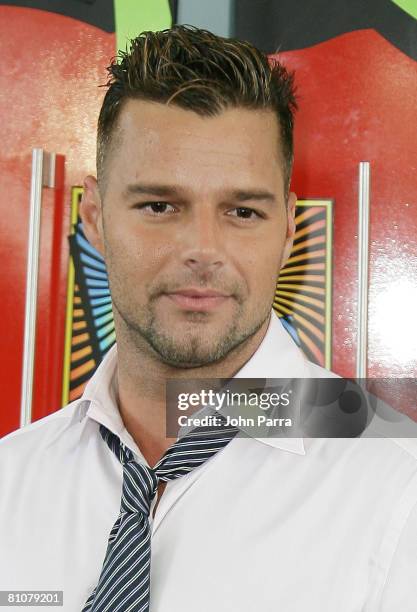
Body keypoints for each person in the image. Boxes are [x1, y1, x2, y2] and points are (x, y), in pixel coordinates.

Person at [1, 25, 416, 612]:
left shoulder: (399, 486)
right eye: (160, 206)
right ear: (93, 215)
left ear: (289, 228)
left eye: (242, 210)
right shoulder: (10, 480)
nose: (202, 248)